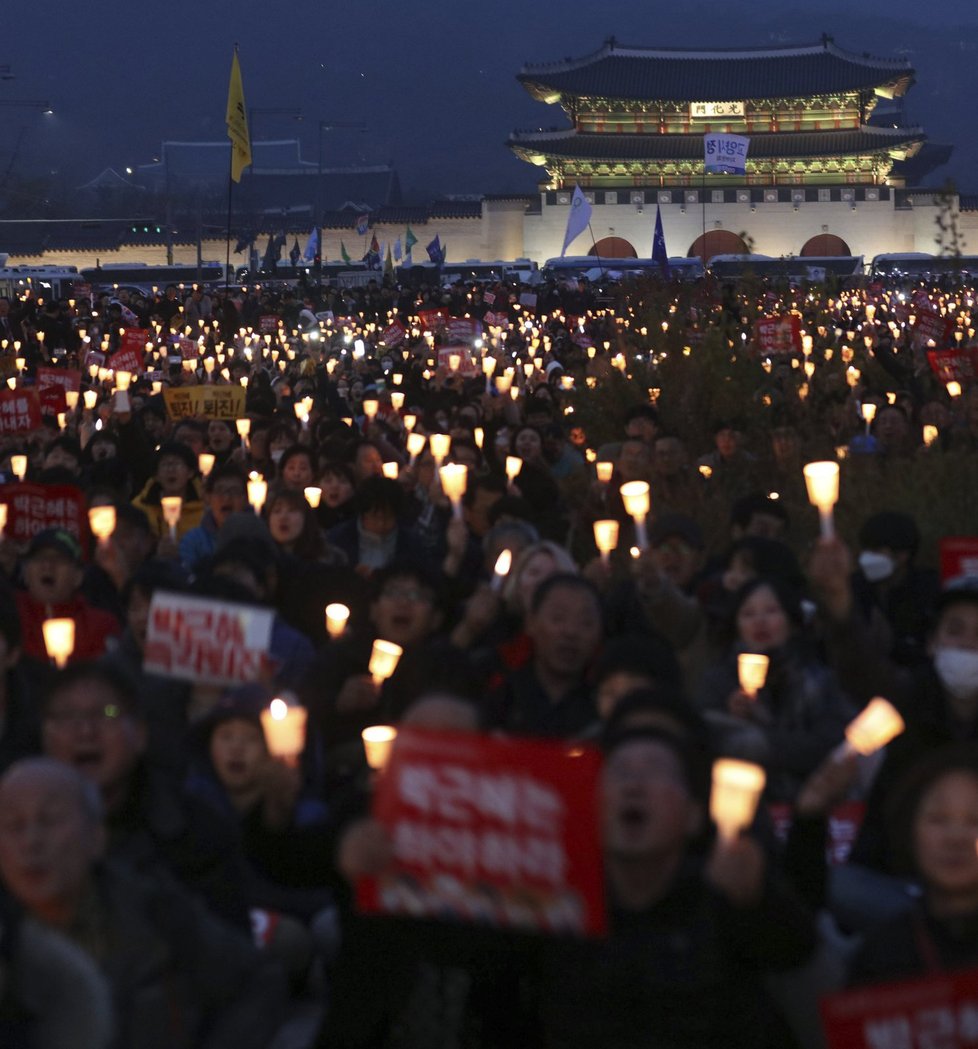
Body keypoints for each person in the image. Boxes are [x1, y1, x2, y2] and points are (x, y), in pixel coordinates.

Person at [0, 757, 287, 1049]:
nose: (30, 842)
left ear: (96, 836)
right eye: (13, 825)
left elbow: (256, 980)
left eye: (50, 820)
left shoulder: (152, 910)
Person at [848, 744, 978, 985]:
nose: (956, 838)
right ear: (909, 830)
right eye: (938, 820)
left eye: (975, 821)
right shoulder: (882, 954)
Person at [15, 529, 122, 665]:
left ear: (78, 576)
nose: (47, 566)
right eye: (39, 558)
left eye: (59, 559)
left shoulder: (101, 625)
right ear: (26, 572)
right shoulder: (9, 616)